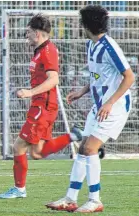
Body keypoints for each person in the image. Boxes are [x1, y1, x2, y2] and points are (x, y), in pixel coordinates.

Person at [45, 5, 135, 213]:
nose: (79, 25)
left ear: (86, 25)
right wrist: (82, 91)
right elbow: (98, 76)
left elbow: (129, 77)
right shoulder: (91, 45)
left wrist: (110, 102)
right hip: (99, 105)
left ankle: (95, 200)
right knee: (83, 149)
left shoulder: (109, 46)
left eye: (81, 22)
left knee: (90, 148)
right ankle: (70, 198)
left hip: (114, 106)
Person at [0, 14, 83, 199]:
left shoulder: (48, 51)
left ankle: (19, 189)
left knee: (18, 146)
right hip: (42, 106)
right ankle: (73, 136)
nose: (26, 36)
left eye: (28, 32)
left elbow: (54, 79)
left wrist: (30, 92)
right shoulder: (40, 50)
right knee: (37, 152)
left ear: (37, 33)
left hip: (43, 107)